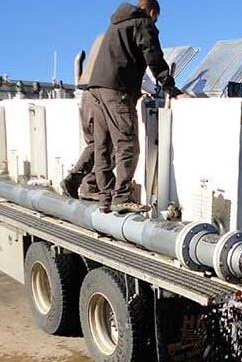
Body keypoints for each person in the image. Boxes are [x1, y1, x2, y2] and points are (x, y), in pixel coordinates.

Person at [61, 0, 181, 213]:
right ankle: (122, 197)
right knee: (127, 143)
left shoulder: (116, 25)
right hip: (117, 90)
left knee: (102, 144)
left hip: (95, 89)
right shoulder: (142, 22)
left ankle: (105, 198)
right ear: (152, 12)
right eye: (156, 18)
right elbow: (153, 55)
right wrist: (169, 85)